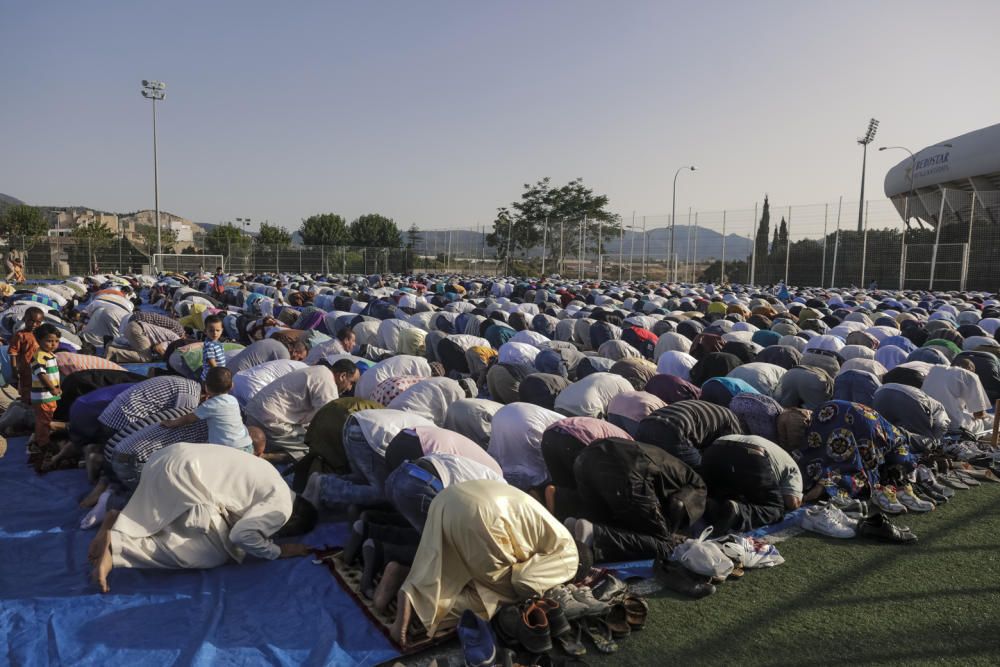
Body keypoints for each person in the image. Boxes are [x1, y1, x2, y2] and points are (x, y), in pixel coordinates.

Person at [87, 443, 317, 594]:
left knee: (177, 521)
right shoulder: (282, 507)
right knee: (213, 552)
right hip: (185, 476)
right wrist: (277, 551)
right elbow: (241, 535)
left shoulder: (272, 475)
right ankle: (119, 548)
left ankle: (119, 521)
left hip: (163, 459)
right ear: (294, 518)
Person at [390, 480, 580, 647]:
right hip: (485, 519)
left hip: (449, 498)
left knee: (442, 558)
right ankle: (420, 607)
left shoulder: (554, 527)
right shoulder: (569, 558)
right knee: (497, 596)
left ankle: (410, 579)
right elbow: (524, 581)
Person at [699, 434, 802, 532]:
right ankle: (737, 512)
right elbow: (792, 502)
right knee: (776, 510)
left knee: (715, 494)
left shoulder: (781, 455)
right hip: (752, 454)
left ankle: (702, 505)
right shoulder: (795, 469)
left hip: (715, 448)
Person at [162, 367, 255, 454]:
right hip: (246, 444)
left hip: (227, 448)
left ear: (206, 387)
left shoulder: (209, 405)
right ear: (232, 386)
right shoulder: (233, 400)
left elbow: (189, 418)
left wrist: (173, 423)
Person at [31, 323, 63, 450]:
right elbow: (42, 375)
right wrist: (52, 388)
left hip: (49, 394)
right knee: (44, 420)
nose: (53, 344)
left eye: (56, 341)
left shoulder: (49, 354)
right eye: (49, 341)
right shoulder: (40, 356)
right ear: (39, 341)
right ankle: (43, 443)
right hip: (43, 394)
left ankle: (43, 438)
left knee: (46, 417)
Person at [9, 307, 44, 405]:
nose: (34, 324)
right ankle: (24, 410)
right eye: (31, 321)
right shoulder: (20, 335)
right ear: (25, 319)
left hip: (38, 369)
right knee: (25, 391)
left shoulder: (40, 335)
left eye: (38, 322)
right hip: (25, 369)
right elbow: (13, 353)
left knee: (36, 391)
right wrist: (14, 369)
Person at [200, 314, 226, 383]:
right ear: (205, 331)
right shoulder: (209, 345)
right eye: (211, 331)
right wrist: (219, 374)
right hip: (211, 377)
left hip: (217, 372)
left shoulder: (217, 342)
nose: (215, 333)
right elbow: (211, 361)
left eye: (218, 330)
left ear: (222, 330)